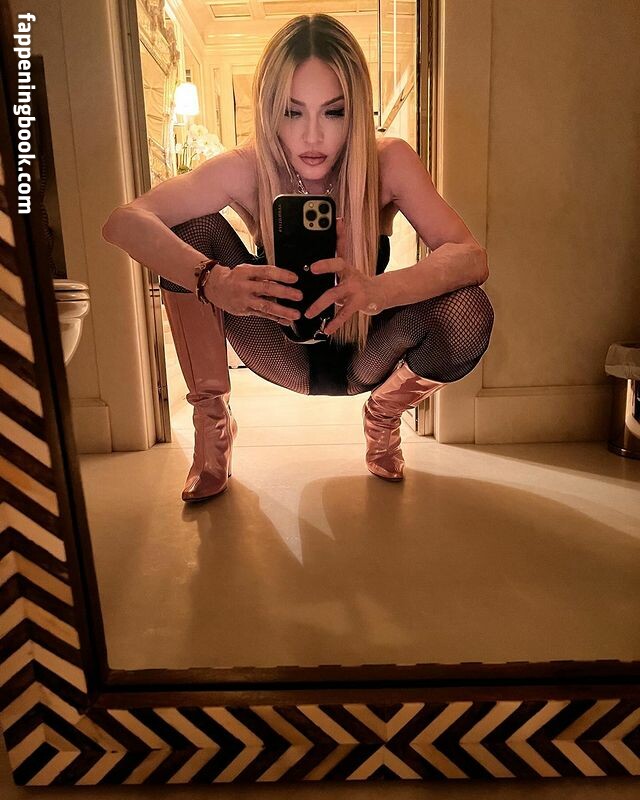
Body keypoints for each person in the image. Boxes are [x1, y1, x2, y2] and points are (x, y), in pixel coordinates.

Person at [102, 13, 494, 502]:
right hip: (279, 345)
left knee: (468, 311)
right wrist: (214, 281)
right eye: (292, 112)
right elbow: (124, 221)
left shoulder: (388, 161)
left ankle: (384, 414)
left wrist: (378, 290)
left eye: (333, 112)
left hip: (365, 351)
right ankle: (213, 426)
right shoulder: (247, 168)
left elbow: (469, 256)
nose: (312, 137)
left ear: (356, 110)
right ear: (270, 110)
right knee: (191, 229)